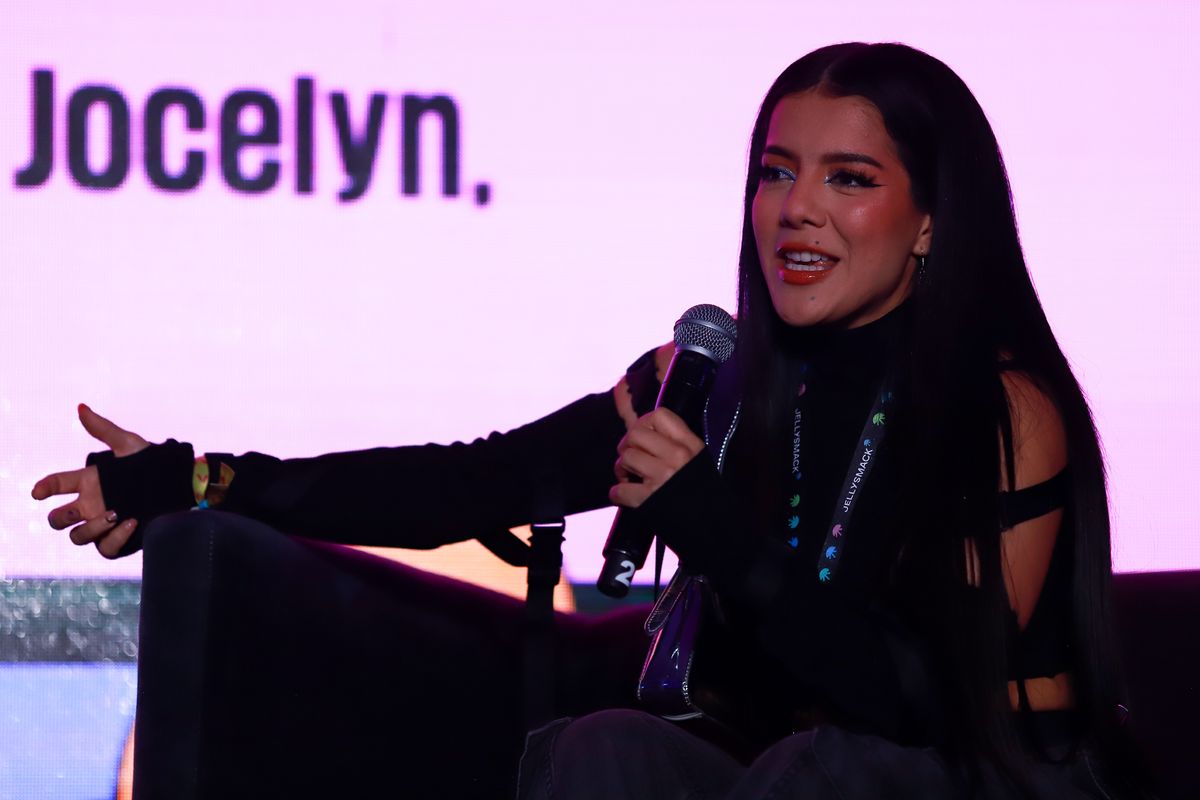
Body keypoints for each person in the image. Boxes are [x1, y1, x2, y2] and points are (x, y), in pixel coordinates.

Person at [33, 43, 1146, 799]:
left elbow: (920, 700)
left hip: (979, 772)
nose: (796, 207)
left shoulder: (1003, 406)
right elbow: (469, 483)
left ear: (928, 223)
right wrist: (204, 478)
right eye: (775, 171)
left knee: (830, 771)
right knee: (603, 754)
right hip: (779, 769)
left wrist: (712, 524)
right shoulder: (707, 379)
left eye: (849, 177)